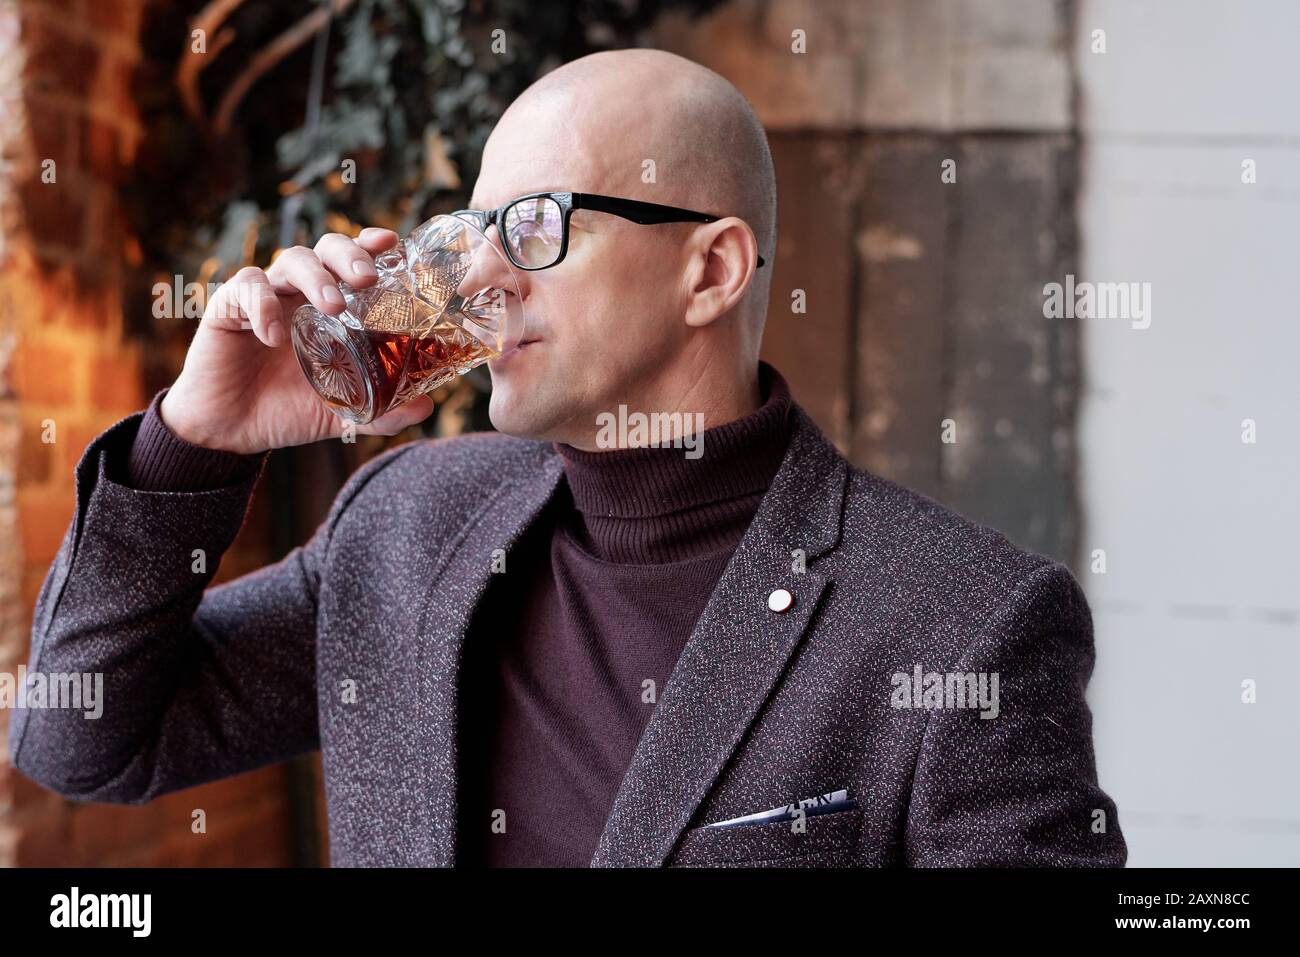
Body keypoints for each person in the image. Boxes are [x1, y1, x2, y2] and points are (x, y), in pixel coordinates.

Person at [10, 49, 1125, 867]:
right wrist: (193, 447)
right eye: (473, 229)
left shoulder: (965, 620)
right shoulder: (406, 521)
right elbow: (81, 740)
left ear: (711, 271)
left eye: (537, 226)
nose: (480, 280)